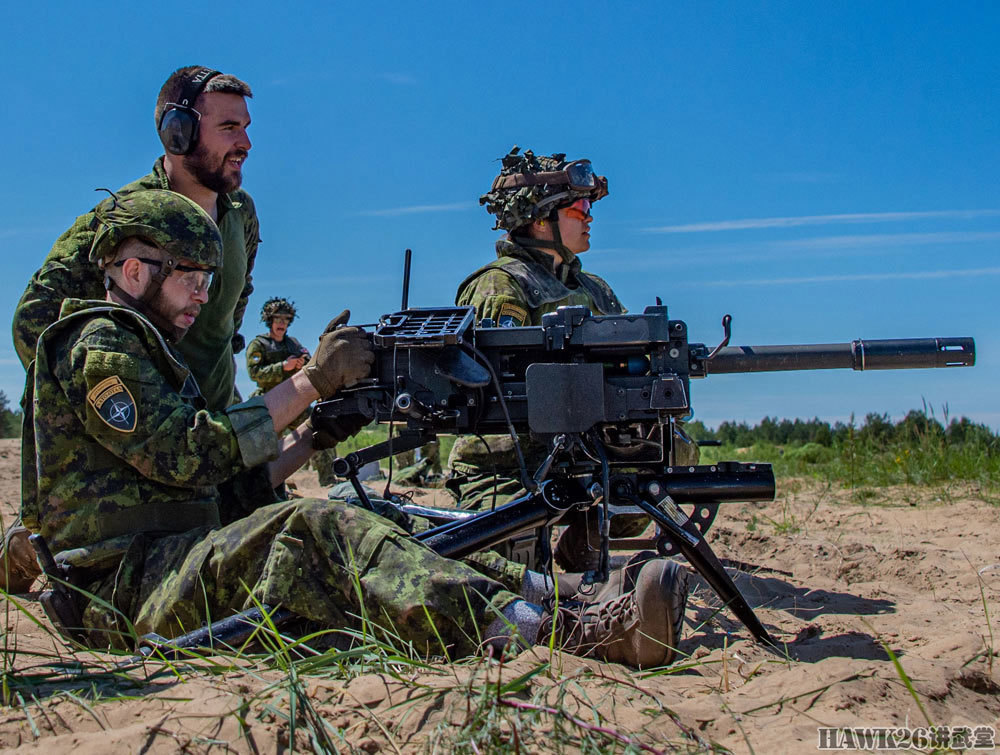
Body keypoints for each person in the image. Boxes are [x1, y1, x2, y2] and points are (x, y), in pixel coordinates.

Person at [22, 189, 688, 669]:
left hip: (169, 564)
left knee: (368, 509)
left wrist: (314, 434)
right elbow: (189, 454)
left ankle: (562, 594)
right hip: (122, 592)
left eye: (207, 278)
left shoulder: (150, 352)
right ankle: (562, 633)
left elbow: (225, 489)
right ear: (134, 271)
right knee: (313, 529)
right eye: (190, 276)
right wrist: (311, 381)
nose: (203, 293)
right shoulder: (97, 346)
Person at [3, 65, 259, 592]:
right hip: (139, 441)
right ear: (177, 133)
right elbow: (34, 322)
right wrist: (110, 408)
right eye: (229, 128)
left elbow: (233, 305)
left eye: (246, 127)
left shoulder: (241, 215)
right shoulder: (123, 218)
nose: (246, 144)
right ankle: (28, 549)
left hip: (207, 431)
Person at [447, 147, 699, 572]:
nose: (589, 218)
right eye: (579, 208)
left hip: (583, 453)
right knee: (518, 571)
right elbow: (489, 394)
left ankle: (582, 545)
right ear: (540, 220)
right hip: (505, 464)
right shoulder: (500, 286)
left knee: (661, 459)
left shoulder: (593, 289)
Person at [246, 297, 338, 485]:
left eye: (285, 319)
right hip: (268, 402)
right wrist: (282, 367)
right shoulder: (259, 344)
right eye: (277, 319)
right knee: (261, 448)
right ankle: (261, 485)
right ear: (270, 320)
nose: (281, 323)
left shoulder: (293, 344)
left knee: (320, 429)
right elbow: (255, 374)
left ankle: (328, 479)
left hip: (294, 400)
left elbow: (311, 363)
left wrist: (302, 363)